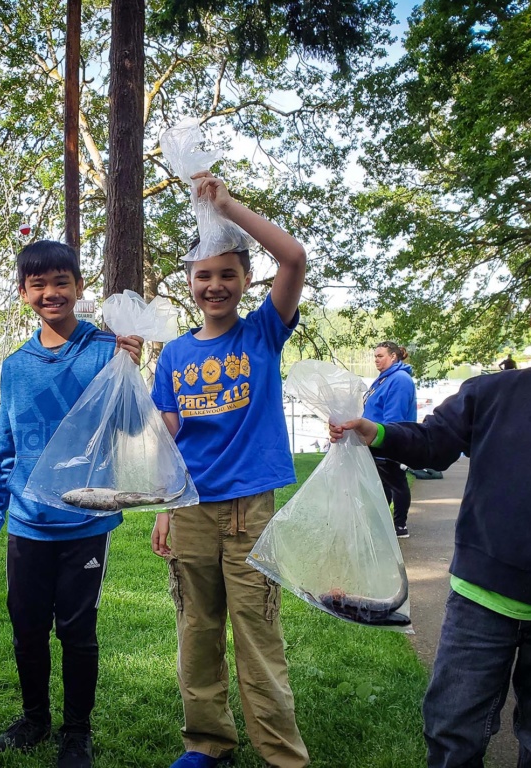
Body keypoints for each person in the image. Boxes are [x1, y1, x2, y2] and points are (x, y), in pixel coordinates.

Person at [329, 259, 531, 768]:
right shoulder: (490, 394)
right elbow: (434, 443)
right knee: (453, 731)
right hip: (476, 605)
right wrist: (375, 432)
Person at [149, 171, 310, 768]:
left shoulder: (263, 333)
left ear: (245, 280)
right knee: (197, 631)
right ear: (189, 283)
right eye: (203, 275)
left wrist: (226, 206)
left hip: (249, 510)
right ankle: (208, 745)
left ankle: (281, 755)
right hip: (189, 508)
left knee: (257, 634)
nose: (214, 285)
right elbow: (169, 437)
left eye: (226, 274)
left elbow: (292, 256)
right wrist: (166, 507)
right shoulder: (175, 354)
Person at [0, 240, 141, 768]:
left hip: (84, 521)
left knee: (76, 630)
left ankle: (76, 733)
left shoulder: (107, 349)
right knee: (27, 628)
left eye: (60, 282)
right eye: (38, 284)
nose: (51, 293)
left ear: (78, 287)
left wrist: (131, 372)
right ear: (24, 294)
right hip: (26, 523)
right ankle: (35, 719)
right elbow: (4, 448)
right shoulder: (15, 366)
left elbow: (133, 428)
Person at [363, 341, 417, 538]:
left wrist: (386, 441)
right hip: (376, 440)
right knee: (382, 484)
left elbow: (395, 417)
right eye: (375, 356)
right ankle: (381, 524)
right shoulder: (383, 380)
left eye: (380, 356)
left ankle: (400, 526)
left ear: (393, 356)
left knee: (396, 483)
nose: (376, 360)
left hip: (389, 441)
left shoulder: (400, 380)